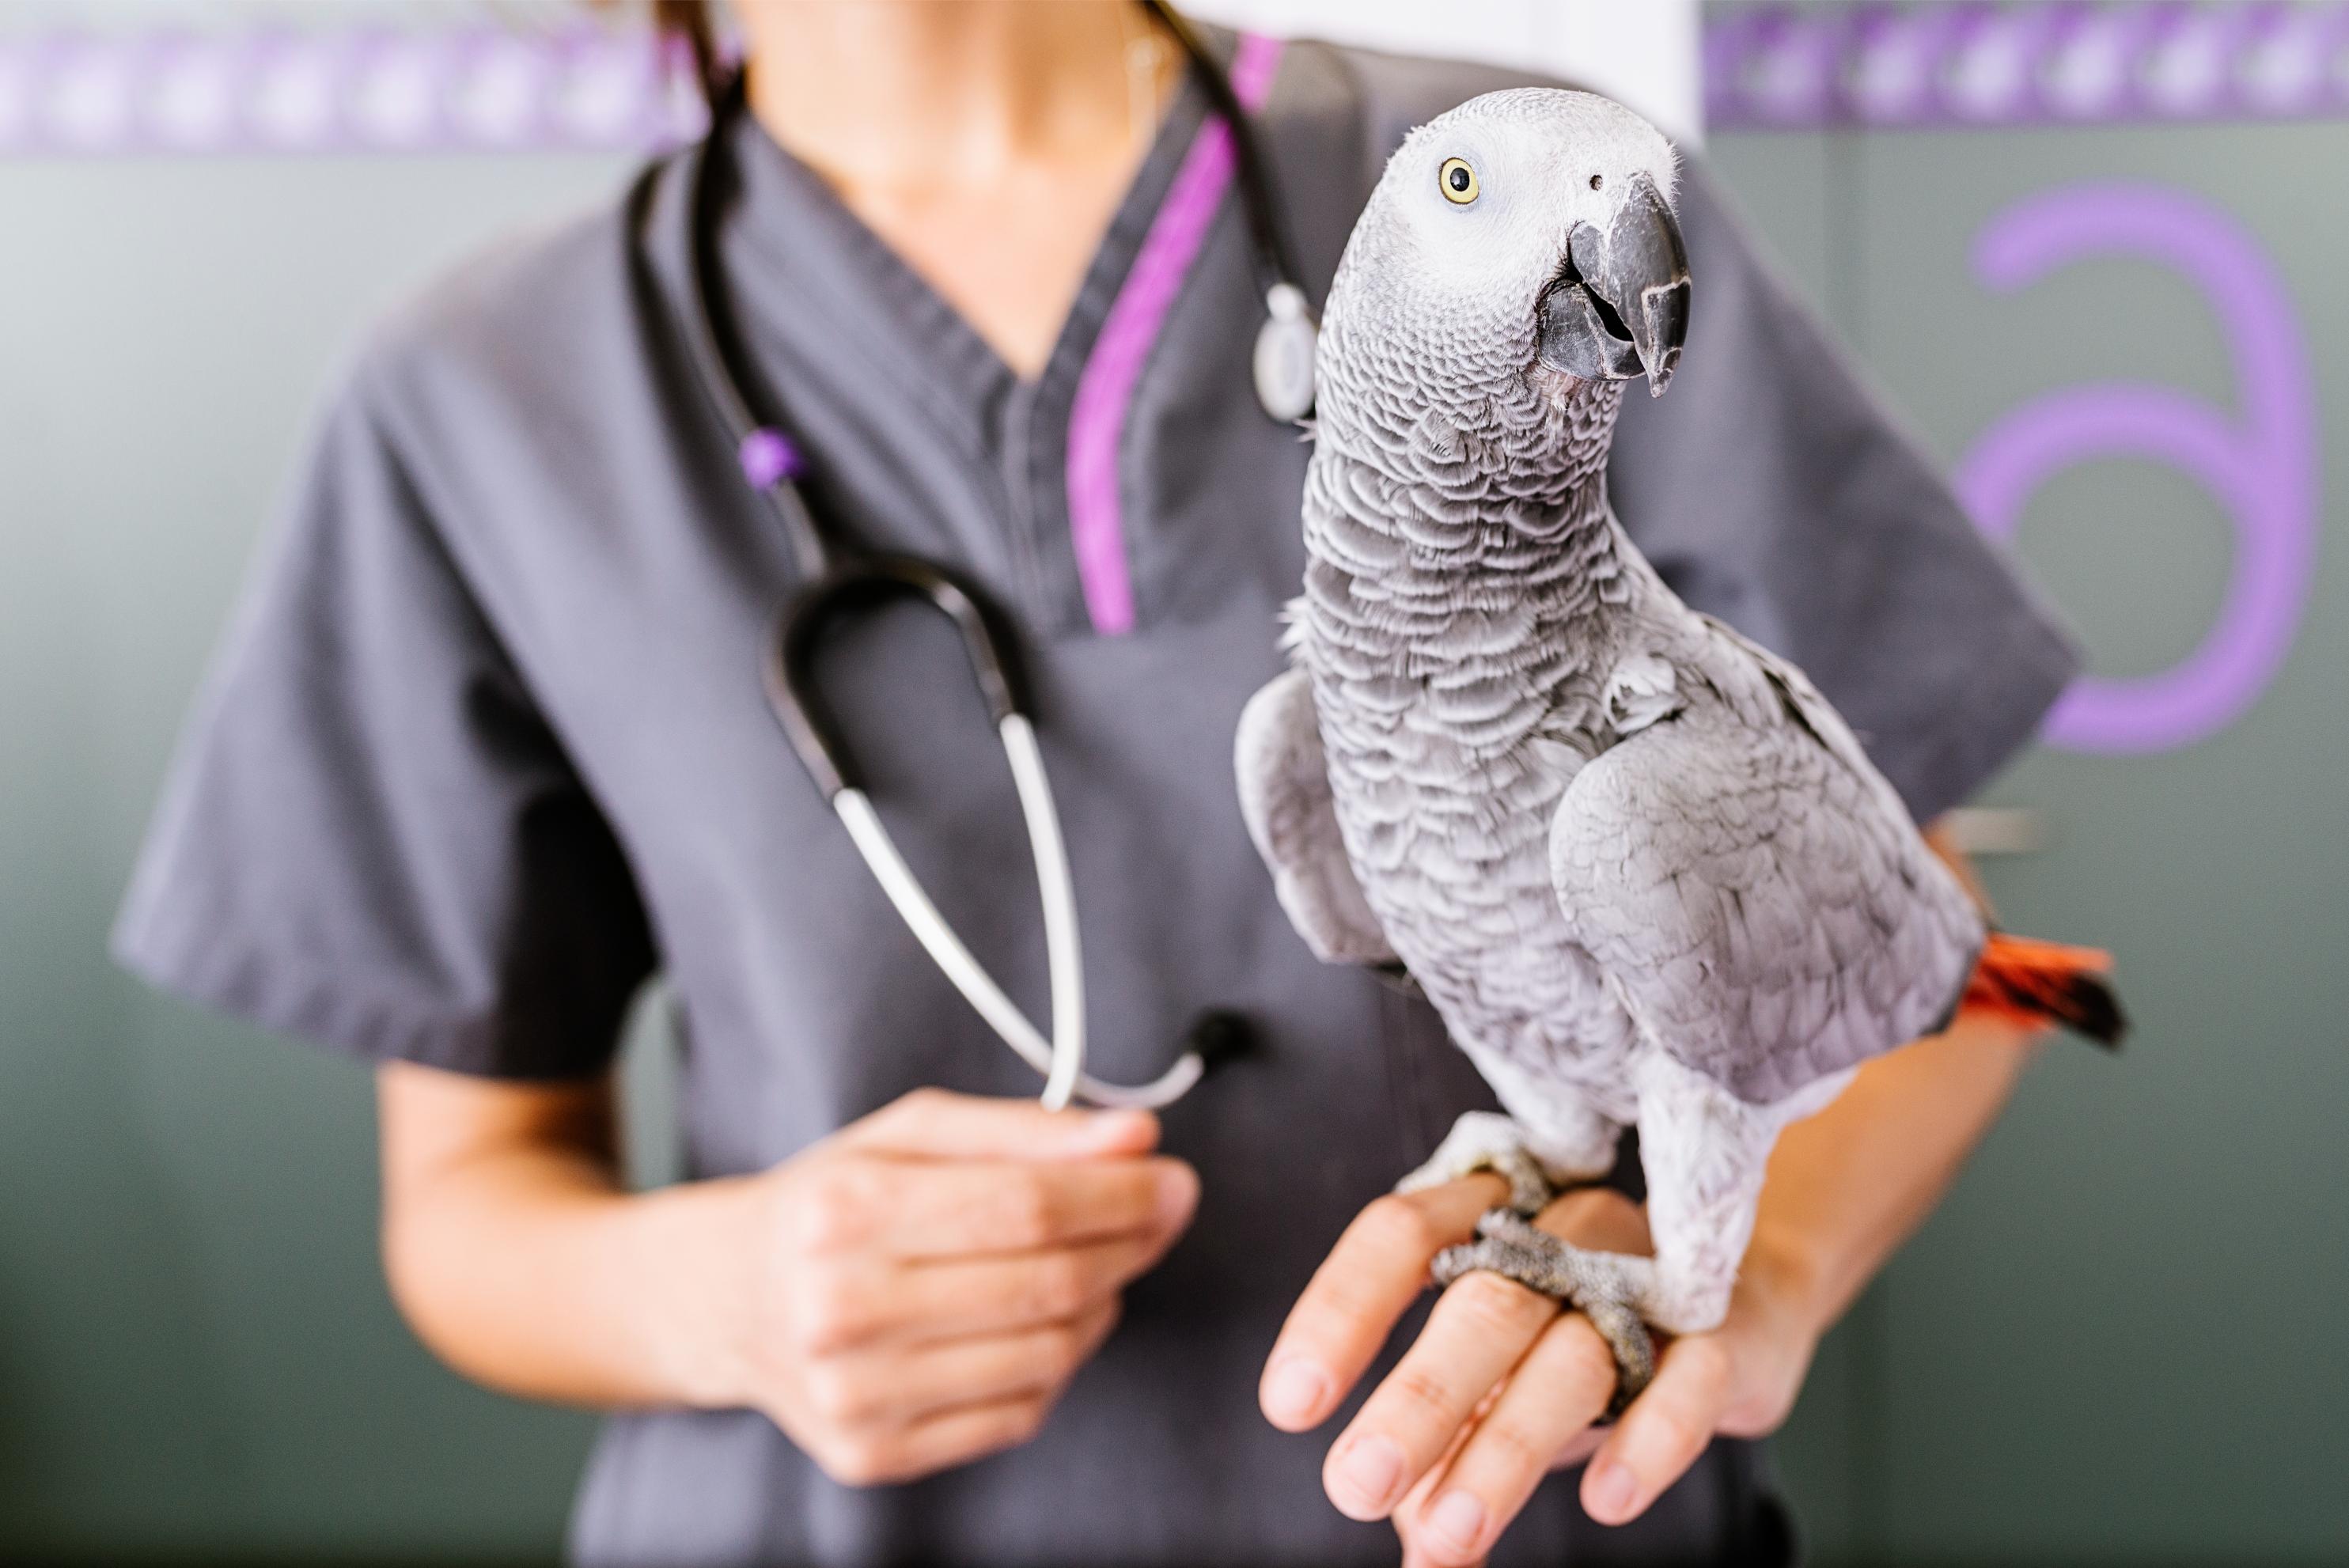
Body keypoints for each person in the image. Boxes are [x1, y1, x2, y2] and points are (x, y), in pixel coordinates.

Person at [113, 3, 2078, 1564]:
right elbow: (466, 1206)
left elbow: (1942, 967)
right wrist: (720, 1295)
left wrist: (1751, 1277)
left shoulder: (1517, 185)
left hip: (1532, 1515)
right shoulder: (485, 390)